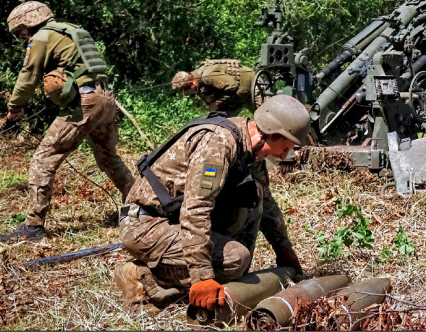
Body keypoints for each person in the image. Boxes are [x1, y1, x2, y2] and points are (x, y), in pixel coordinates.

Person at [114, 95, 309, 310]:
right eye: (284, 147)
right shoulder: (218, 144)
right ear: (269, 133)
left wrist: (283, 248)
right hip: (145, 223)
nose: (284, 156)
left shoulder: (250, 151)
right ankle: (144, 278)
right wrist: (202, 275)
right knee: (235, 259)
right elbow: (196, 208)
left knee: (254, 199)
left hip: (173, 218)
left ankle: (199, 276)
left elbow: (267, 204)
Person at [0, 1, 134, 242]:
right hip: (106, 98)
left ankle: (33, 227)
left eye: (19, 30)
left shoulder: (42, 37)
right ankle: (139, 207)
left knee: (43, 158)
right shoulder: (72, 30)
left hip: (85, 102)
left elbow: (28, 76)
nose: (20, 36)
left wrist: (15, 108)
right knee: (108, 157)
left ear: (29, 21)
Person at [171, 59, 257, 115]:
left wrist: (217, 103)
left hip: (254, 86)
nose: (187, 95)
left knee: (266, 121)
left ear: (191, 83)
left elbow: (232, 85)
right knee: (221, 123)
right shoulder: (198, 85)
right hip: (237, 98)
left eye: (186, 91)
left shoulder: (207, 77)